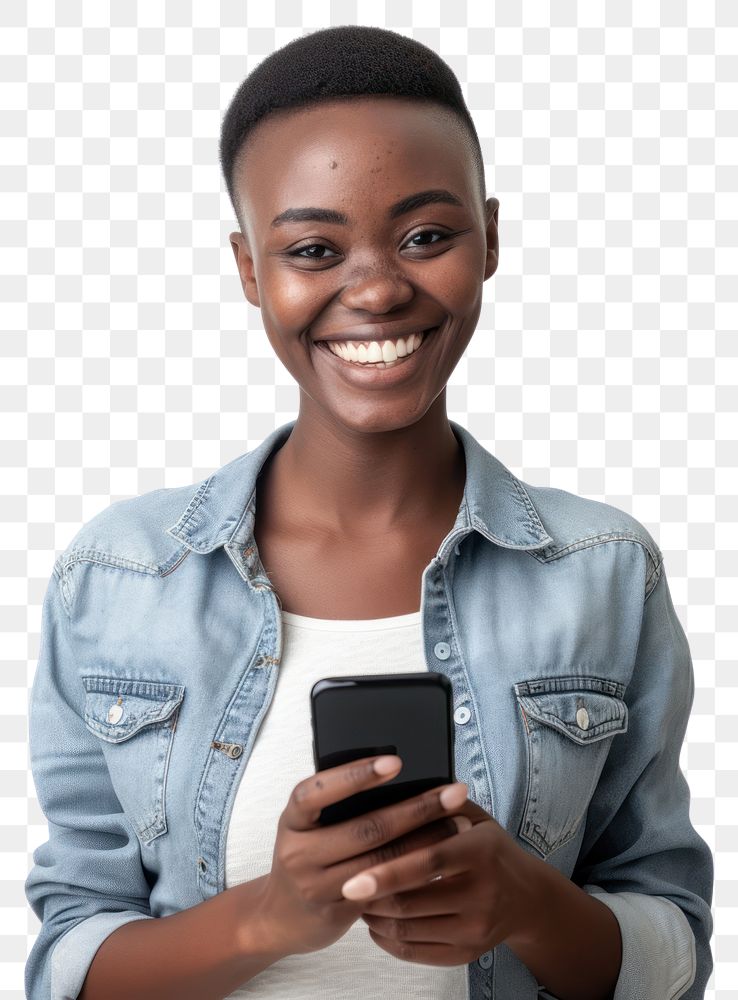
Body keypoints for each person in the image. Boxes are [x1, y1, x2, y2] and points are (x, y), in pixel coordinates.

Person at [24, 24, 713, 1000]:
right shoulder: (120, 578)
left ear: (493, 236)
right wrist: (269, 916)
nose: (380, 288)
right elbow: (65, 961)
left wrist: (524, 901)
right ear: (250, 270)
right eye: (313, 247)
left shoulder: (602, 570)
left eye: (428, 236)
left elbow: (672, 949)